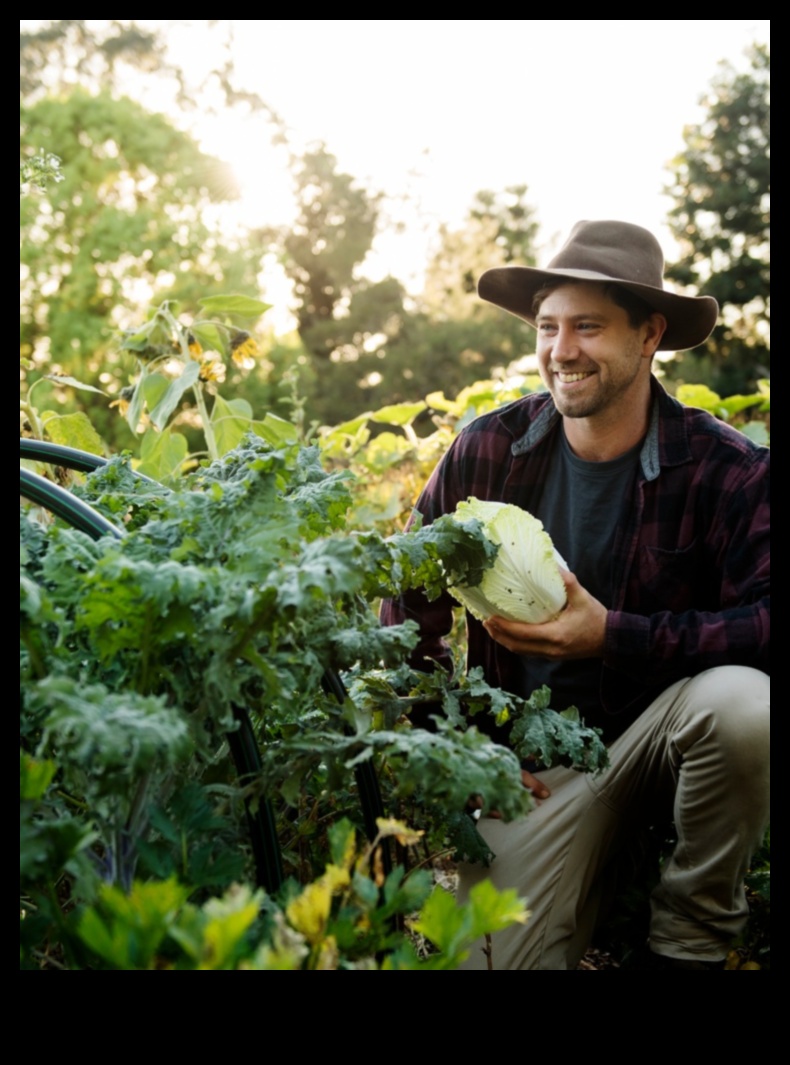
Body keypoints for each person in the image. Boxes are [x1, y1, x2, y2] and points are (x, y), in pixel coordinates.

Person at [380, 220, 770, 970]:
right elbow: (405, 609)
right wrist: (456, 749)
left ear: (650, 334)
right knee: (469, 954)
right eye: (549, 327)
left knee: (747, 705)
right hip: (536, 774)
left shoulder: (725, 468)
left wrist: (613, 634)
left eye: (588, 327)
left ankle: (688, 941)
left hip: (661, 745)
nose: (562, 351)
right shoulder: (487, 451)